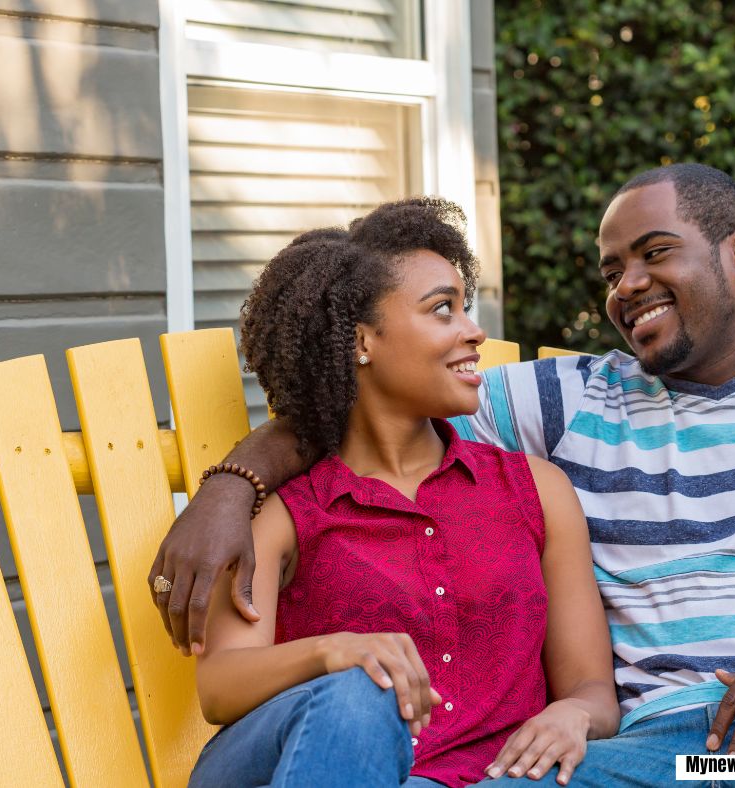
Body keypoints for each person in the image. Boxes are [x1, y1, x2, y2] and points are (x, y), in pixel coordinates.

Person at [154, 165, 735, 784]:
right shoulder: (572, 397)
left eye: (654, 253)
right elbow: (352, 415)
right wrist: (231, 486)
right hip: (654, 757)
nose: (627, 285)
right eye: (614, 271)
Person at [185, 197, 619, 788]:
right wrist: (334, 653)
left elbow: (592, 689)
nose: (474, 332)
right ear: (361, 341)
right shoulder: (289, 512)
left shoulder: (536, 492)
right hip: (323, 761)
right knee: (355, 695)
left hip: (505, 778)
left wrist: (573, 713)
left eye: (465, 308)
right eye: (443, 310)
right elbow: (219, 688)